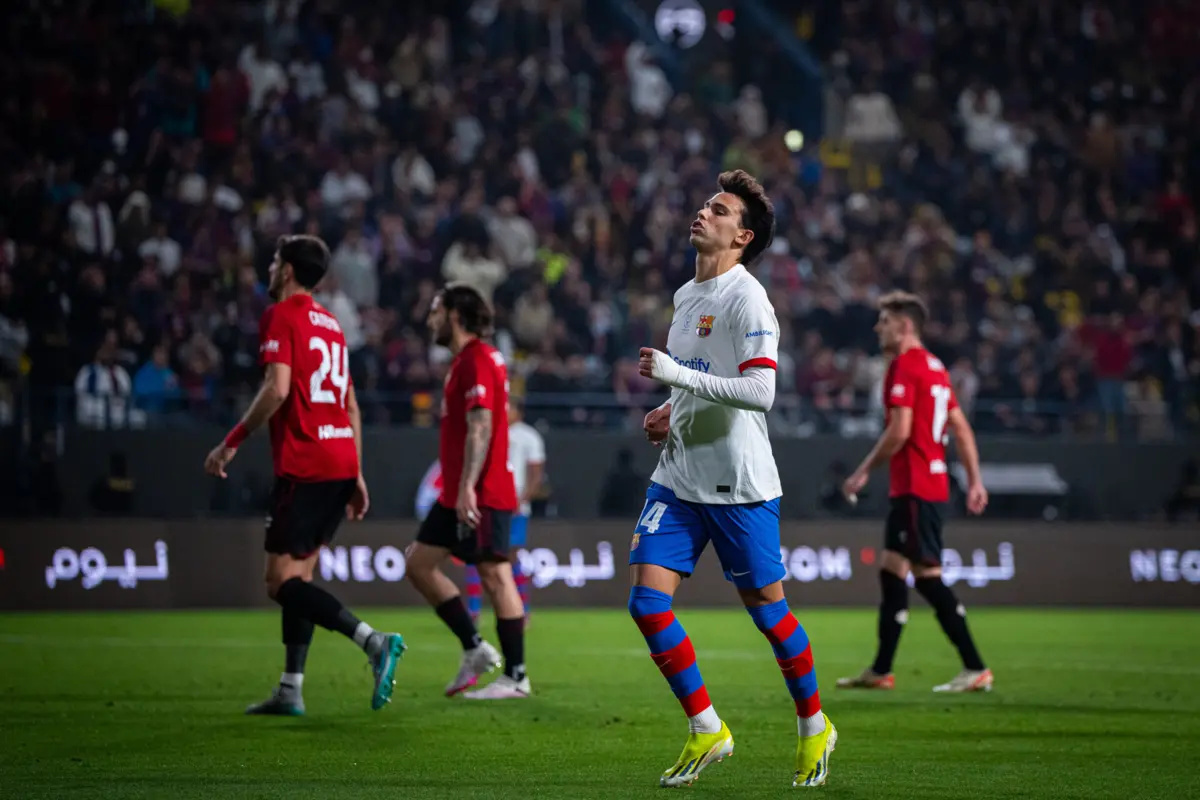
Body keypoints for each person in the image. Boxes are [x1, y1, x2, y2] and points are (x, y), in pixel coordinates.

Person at [634, 170, 836, 789]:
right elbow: (700, 373)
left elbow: (760, 391)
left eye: (718, 210)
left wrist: (676, 377)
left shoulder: (748, 300)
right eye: (705, 204)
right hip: (678, 476)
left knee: (770, 615)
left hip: (737, 485)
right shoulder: (685, 295)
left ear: (742, 236)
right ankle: (706, 728)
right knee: (647, 603)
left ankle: (814, 726)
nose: (703, 212)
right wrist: (671, 408)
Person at [203, 234, 405, 716]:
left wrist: (231, 441)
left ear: (289, 270)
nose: (270, 268)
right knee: (302, 575)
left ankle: (372, 641)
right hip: (339, 460)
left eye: (276, 261)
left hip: (306, 463)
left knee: (279, 582)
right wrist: (355, 471)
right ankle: (291, 688)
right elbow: (350, 404)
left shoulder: (281, 315)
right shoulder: (332, 324)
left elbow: (277, 389)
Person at [836, 291, 992, 694]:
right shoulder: (936, 368)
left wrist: (863, 471)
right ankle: (881, 670)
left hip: (917, 487)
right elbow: (961, 428)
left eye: (885, 321)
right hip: (927, 486)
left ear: (905, 326)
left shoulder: (904, 365)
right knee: (892, 571)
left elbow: (900, 431)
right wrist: (974, 480)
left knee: (926, 577)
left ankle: (975, 666)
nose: (878, 328)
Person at [404, 284, 529, 699]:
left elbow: (481, 426)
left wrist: (467, 489)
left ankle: (516, 676)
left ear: (455, 315)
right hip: (459, 491)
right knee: (419, 564)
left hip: (481, 490)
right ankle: (475, 648)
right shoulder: (466, 361)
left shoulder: (477, 359)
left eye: (436, 311)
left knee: (495, 573)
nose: (430, 320)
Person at [463, 397, 545, 626]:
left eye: (509, 408)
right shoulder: (488, 431)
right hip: (487, 502)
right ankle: (473, 611)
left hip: (515, 505)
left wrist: (523, 498)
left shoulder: (529, 436)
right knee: (475, 552)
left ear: (519, 412)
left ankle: (522, 611)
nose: (504, 412)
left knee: (510, 556)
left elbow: (536, 473)